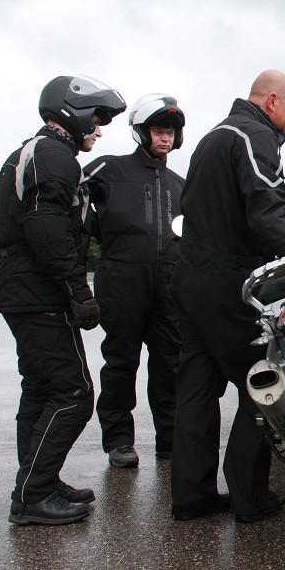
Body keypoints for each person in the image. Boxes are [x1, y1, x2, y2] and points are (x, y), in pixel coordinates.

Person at [170, 70, 285, 522]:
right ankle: (250, 500)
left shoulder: (216, 135)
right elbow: (264, 212)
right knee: (266, 382)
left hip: (190, 278)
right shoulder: (255, 134)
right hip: (226, 279)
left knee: (195, 391)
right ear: (272, 100)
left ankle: (191, 497)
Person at [0, 75, 125, 524]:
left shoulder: (31, 151)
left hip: (20, 287)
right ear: (74, 112)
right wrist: (78, 289)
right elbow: (45, 228)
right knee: (74, 393)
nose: (100, 129)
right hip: (37, 289)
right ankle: (32, 495)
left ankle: (38, 481)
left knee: (40, 388)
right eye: (98, 119)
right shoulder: (54, 155)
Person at [82, 93, 186, 469]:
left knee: (169, 365)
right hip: (122, 280)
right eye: (159, 130)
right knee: (121, 361)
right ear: (142, 132)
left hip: (168, 285)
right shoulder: (109, 168)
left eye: (171, 132)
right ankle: (119, 441)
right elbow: (70, 200)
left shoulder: (180, 183)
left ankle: (170, 441)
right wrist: (100, 233)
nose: (165, 138)